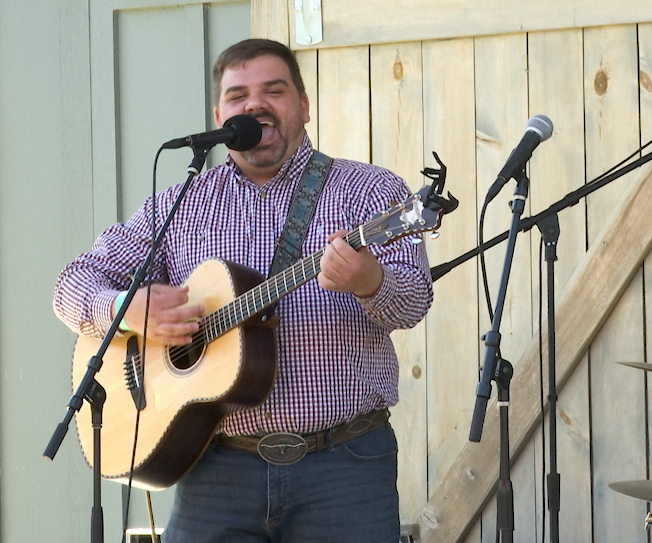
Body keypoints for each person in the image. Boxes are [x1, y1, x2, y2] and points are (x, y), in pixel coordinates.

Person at [53, 38, 433, 543]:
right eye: (238, 96)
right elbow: (72, 283)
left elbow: (413, 301)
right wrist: (127, 308)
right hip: (216, 469)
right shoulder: (182, 204)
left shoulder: (369, 190)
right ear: (220, 116)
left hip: (343, 466)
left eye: (274, 91)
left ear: (304, 105)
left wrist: (369, 281)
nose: (255, 105)